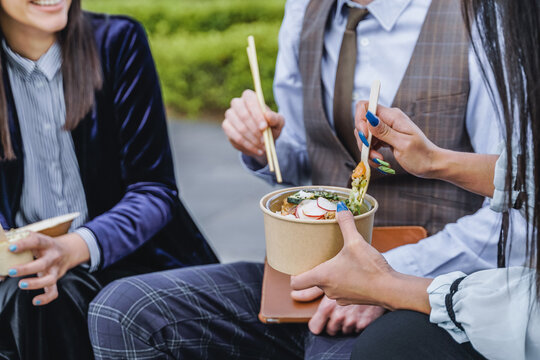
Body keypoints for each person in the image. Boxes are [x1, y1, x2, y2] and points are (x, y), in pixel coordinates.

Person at [223, 0, 525, 345]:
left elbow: (516, 218)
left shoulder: (484, 15)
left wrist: (388, 279)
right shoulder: (303, 8)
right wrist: (264, 146)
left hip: (431, 285)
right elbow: (305, 156)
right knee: (149, 310)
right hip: (306, 271)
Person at [0, 1, 217, 359]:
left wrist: (71, 249)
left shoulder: (117, 42)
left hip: (129, 258)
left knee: (44, 296)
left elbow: (154, 190)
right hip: (21, 268)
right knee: (32, 290)